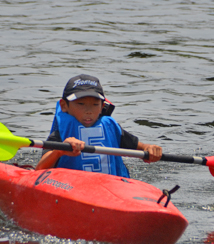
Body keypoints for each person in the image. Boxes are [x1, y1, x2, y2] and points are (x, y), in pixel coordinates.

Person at [35, 74, 163, 178]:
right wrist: (59, 152)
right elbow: (40, 169)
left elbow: (142, 147)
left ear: (102, 106)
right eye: (81, 104)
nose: (88, 111)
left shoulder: (110, 128)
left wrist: (151, 149)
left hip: (112, 189)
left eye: (95, 105)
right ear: (64, 106)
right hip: (71, 188)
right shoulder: (61, 134)